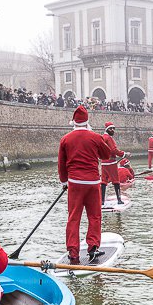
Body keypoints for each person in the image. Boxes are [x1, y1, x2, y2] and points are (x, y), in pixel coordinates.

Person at [58, 105, 111, 264]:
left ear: (73, 122)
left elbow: (61, 164)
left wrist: (64, 181)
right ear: (87, 122)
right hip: (93, 182)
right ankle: (93, 248)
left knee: (73, 217)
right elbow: (106, 155)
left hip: (74, 183)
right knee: (94, 216)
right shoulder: (95, 137)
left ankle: (73, 252)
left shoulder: (65, 139)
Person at [101, 121, 130, 205]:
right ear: (107, 129)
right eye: (111, 129)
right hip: (111, 162)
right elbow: (114, 150)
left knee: (103, 181)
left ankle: (102, 201)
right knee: (116, 181)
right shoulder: (109, 138)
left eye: (113, 128)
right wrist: (124, 154)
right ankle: (119, 200)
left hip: (103, 162)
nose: (113, 130)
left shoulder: (102, 137)